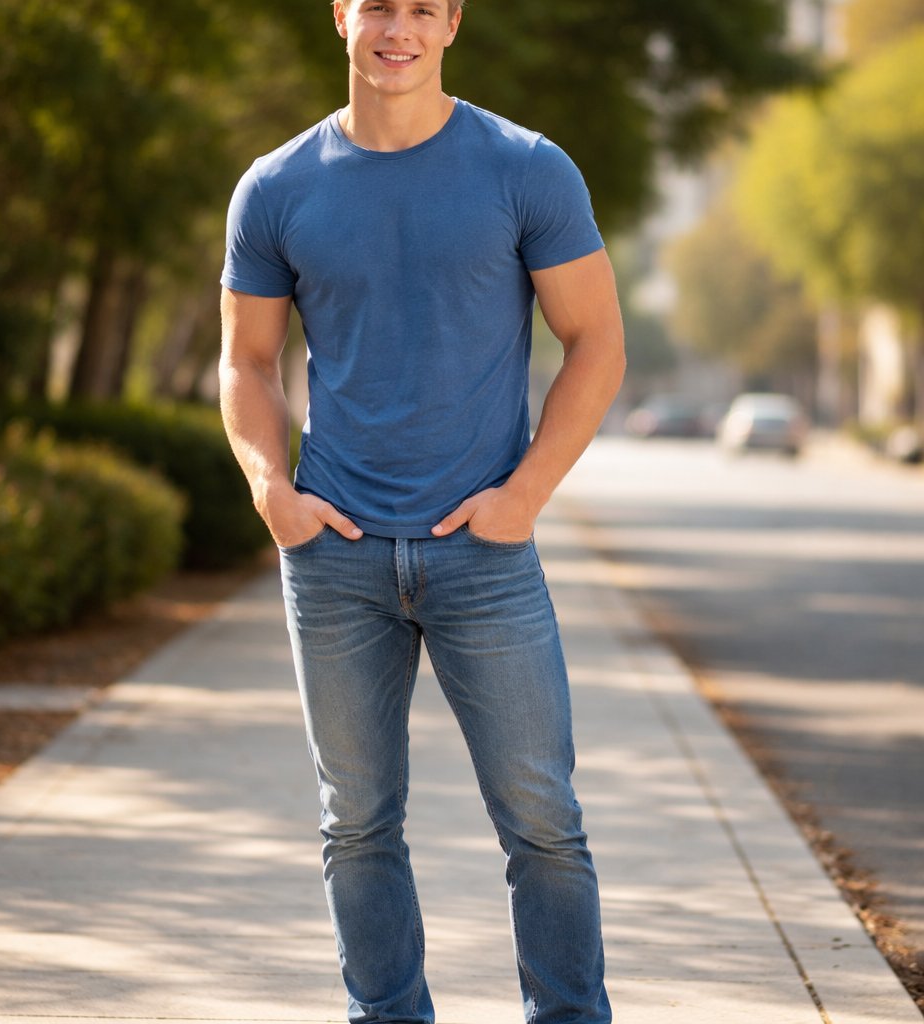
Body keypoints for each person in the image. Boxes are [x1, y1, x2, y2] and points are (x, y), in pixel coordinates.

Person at [219, 2, 625, 1021]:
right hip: (336, 559)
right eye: (376, 5)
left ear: (450, 24)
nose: (395, 27)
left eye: (419, 7)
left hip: (484, 557)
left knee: (543, 821)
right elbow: (247, 363)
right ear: (340, 17)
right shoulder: (276, 188)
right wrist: (275, 493)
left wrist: (522, 498)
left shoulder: (526, 168)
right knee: (354, 826)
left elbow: (597, 346)